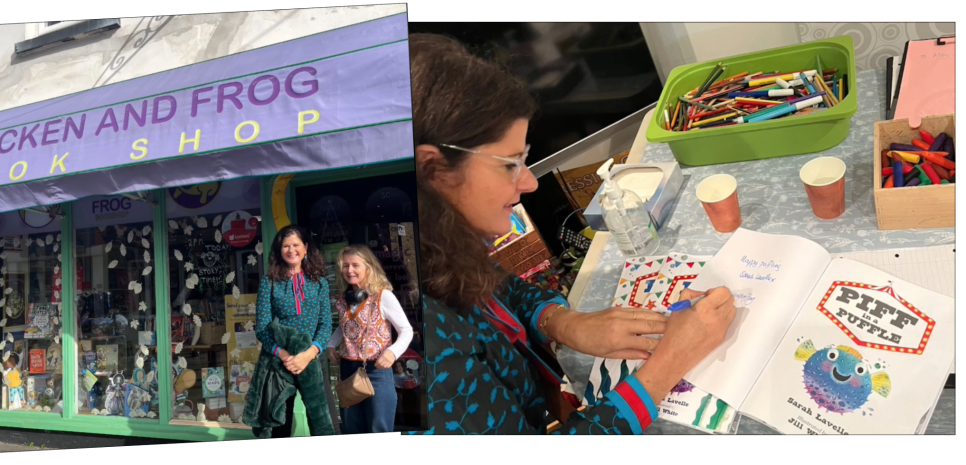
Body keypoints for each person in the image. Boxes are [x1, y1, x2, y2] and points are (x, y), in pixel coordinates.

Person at [410, 33, 738, 435]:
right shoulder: (419, 354)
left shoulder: (428, 241)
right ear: (433, 171)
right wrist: (667, 365)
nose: (529, 183)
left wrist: (561, 321)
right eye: (509, 165)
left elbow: (495, 286)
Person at [255, 225, 334, 437]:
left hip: (312, 361)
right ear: (279, 251)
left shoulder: (319, 283)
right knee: (280, 427)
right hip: (280, 365)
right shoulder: (269, 283)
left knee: (325, 423)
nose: (291, 250)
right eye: (286, 246)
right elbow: (262, 328)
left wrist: (309, 354)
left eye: (296, 245)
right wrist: (285, 356)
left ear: (306, 248)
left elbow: (326, 324)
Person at [327, 245, 413, 434]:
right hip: (347, 370)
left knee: (379, 430)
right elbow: (345, 326)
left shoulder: (383, 296)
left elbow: (406, 330)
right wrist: (331, 344)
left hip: (376, 371)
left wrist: (392, 352)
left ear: (369, 267)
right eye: (346, 265)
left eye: (355, 265)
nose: (350, 270)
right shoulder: (342, 299)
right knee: (352, 430)